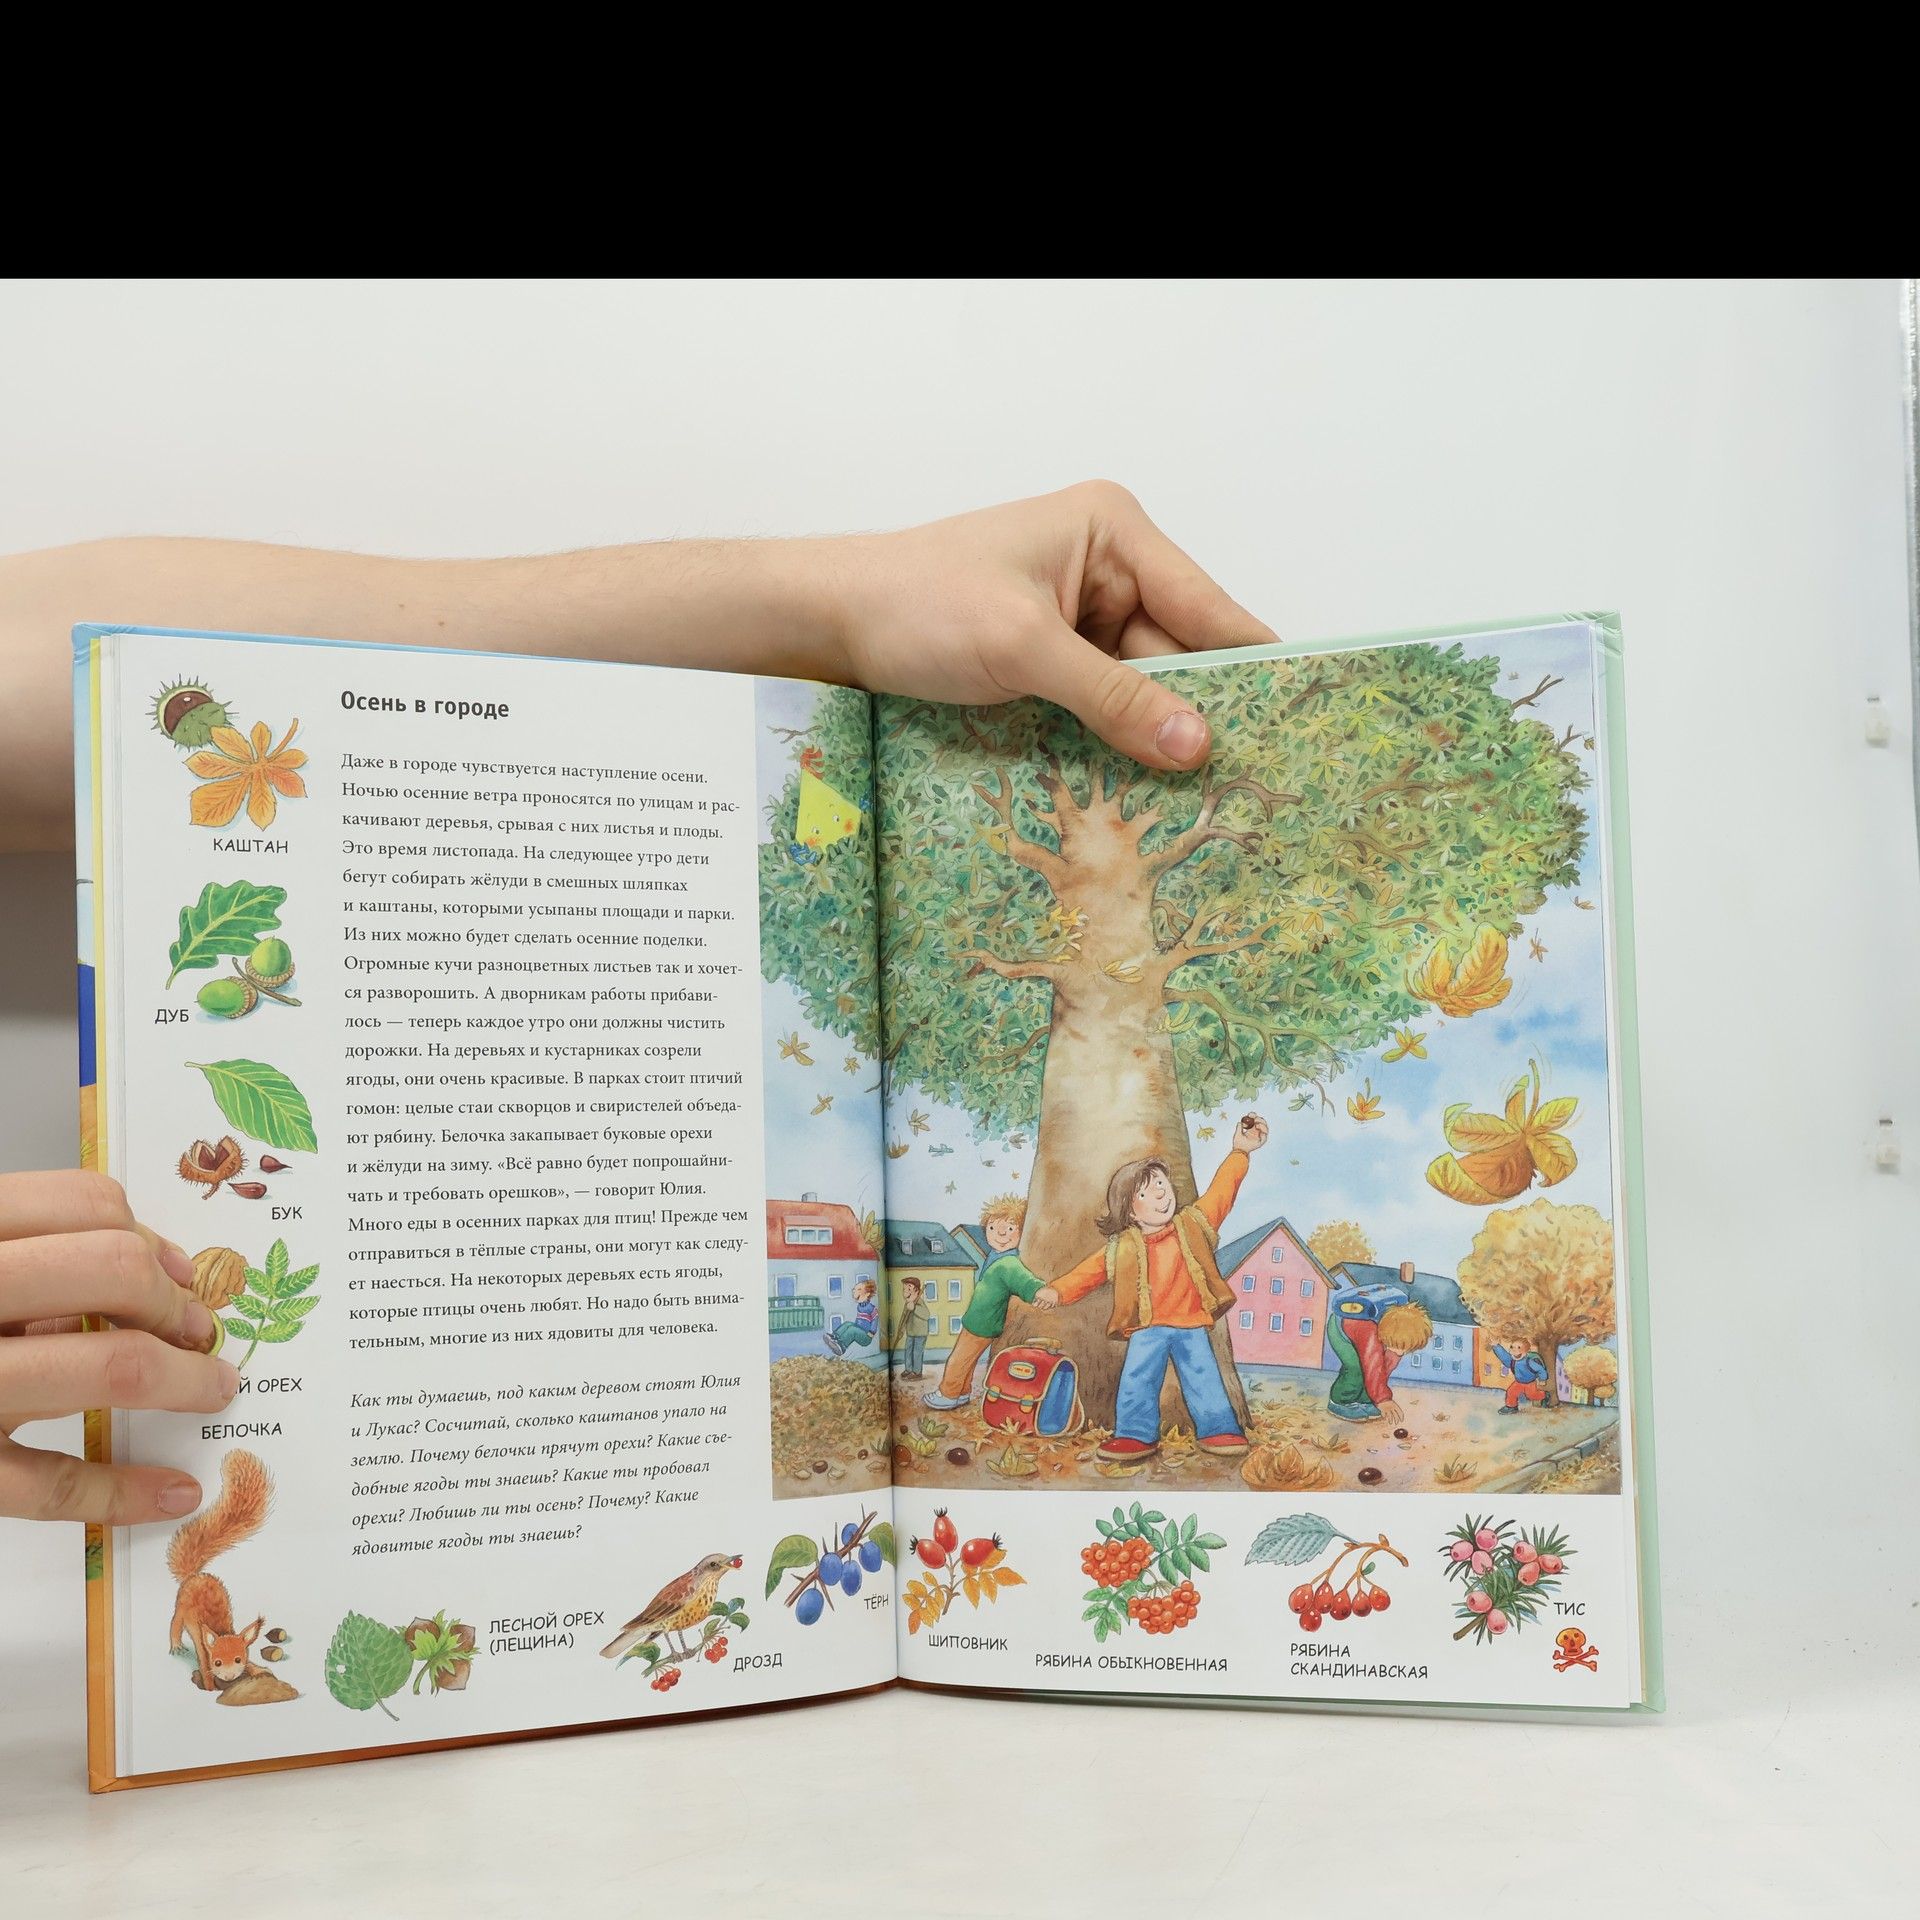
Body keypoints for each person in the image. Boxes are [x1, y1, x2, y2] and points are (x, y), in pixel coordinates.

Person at [0, 483, 1277, 1525]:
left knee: (1167, 1382)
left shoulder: (1153, 1226)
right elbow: (1079, 1272)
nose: (1151, 1204)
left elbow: (78, 659)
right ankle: (1118, 1425)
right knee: (1117, 1379)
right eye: (1144, 1197)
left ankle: (1180, 1430)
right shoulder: (1097, 1247)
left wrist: (832, 600)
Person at [1049, 1114, 1269, 1462]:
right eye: (1145, 1191)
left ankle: (1219, 1428)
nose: (1160, 1193)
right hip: (1146, 1327)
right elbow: (1089, 1272)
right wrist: (1057, 1292)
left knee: (1204, 1377)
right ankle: (1135, 1435)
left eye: (1161, 1184)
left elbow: (1221, 1193)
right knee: (1137, 1379)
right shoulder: (1122, 1247)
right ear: (1130, 1212)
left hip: (1191, 1324)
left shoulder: (1193, 1223)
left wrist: (1240, 1152)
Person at [923, 1195, 1053, 1411]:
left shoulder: (1008, 1263)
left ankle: (947, 1393)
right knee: (969, 1359)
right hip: (979, 1320)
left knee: (958, 1359)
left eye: (1010, 1229)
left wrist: (1040, 1290)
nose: (1000, 1235)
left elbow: (1025, 1281)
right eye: (993, 1228)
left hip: (983, 1323)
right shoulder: (996, 1256)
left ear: (1022, 1232)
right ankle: (962, 1392)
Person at [824, 1279, 879, 1356]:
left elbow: (875, 1319)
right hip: (859, 1330)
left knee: (852, 1330)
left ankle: (842, 1346)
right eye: (855, 1289)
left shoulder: (871, 1308)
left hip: (866, 1336)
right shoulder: (860, 1306)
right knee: (847, 1324)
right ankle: (835, 1336)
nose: (854, 1291)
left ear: (867, 1294)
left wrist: (872, 1332)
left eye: (859, 1289)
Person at [1493, 1338, 1549, 1413]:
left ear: (1527, 1351)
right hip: (1518, 1382)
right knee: (1511, 1392)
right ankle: (1511, 1407)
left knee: (1532, 1395)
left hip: (1529, 1383)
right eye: (1512, 1347)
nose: (1514, 1350)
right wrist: (1497, 1346)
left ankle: (1544, 1395)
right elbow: (1504, 1357)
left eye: (1519, 1347)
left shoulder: (1529, 1362)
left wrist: (1543, 1379)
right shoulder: (1513, 1361)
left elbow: (1540, 1369)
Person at [892, 1277, 932, 1380]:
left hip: (920, 1333)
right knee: (908, 1351)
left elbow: (927, 1315)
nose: (906, 1292)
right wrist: (900, 1329)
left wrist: (915, 1308)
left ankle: (917, 1372)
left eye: (909, 1289)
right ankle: (908, 1369)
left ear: (917, 1291)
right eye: (904, 1289)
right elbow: (903, 1317)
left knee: (917, 1352)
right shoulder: (907, 1304)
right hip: (910, 1332)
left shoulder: (919, 1303)